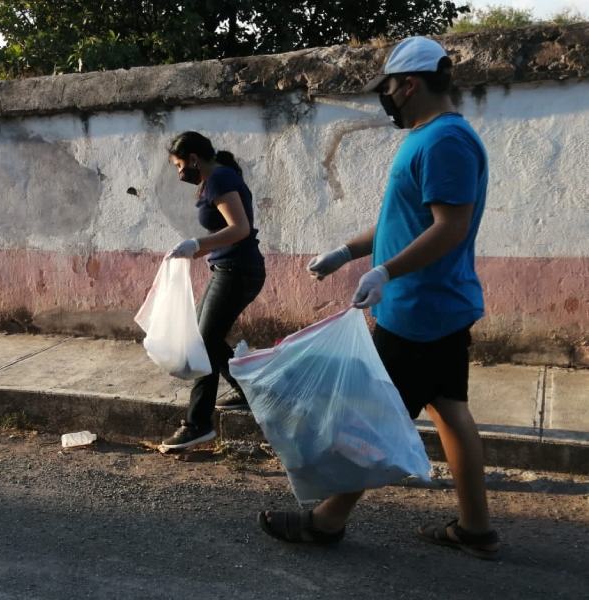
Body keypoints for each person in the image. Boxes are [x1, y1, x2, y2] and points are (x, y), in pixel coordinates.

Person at [257, 37, 500, 560]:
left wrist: (388, 271)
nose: (384, 97)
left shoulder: (444, 142)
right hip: (433, 304)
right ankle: (476, 528)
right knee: (450, 410)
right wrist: (346, 252)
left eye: (387, 87)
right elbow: (402, 221)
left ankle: (327, 521)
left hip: (420, 310)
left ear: (408, 85)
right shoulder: (427, 138)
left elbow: (450, 227)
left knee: (368, 420)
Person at [160, 131, 266, 451]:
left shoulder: (219, 178)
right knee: (206, 335)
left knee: (201, 342)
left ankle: (198, 424)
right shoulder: (216, 178)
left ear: (194, 159)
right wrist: (199, 249)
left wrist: (199, 244)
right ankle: (250, 392)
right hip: (229, 269)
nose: (180, 174)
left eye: (180, 166)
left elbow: (241, 228)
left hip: (238, 271)